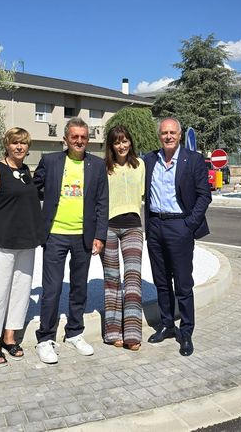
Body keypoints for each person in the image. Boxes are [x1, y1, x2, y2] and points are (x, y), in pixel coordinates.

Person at [33, 117, 109, 364]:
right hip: (55, 234)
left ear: (88, 139)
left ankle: (75, 333)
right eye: (74, 137)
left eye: (83, 137)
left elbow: (102, 203)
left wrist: (99, 235)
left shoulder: (97, 166)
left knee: (79, 288)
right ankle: (45, 338)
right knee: (52, 289)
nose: (79, 141)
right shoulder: (50, 161)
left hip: (83, 237)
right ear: (65, 139)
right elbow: (32, 190)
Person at [143, 117, 211, 357]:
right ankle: (166, 325)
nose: (168, 136)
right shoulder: (149, 160)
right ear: (159, 136)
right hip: (155, 226)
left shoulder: (193, 160)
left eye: (172, 132)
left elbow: (204, 196)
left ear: (180, 135)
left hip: (179, 226)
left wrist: (188, 225)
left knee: (183, 283)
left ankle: (186, 331)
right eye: (164, 133)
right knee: (161, 282)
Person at [0, 127, 43, 366]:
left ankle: (9, 336)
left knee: (20, 292)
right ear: (7, 145)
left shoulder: (26, 171)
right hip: (1, 243)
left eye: (23, 143)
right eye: (15, 143)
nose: (19, 147)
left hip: (26, 242)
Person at [101, 125, 145, 350]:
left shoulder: (140, 165)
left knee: (133, 278)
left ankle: (132, 334)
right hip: (108, 227)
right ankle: (112, 332)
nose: (122, 145)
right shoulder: (104, 168)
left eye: (125, 140)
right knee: (111, 280)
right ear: (111, 145)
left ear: (130, 142)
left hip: (133, 227)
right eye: (117, 142)